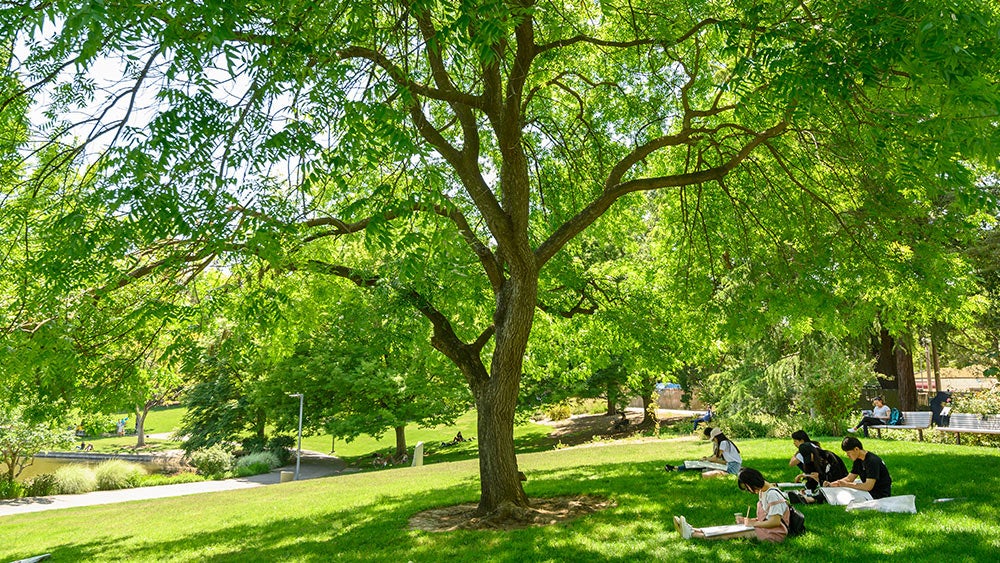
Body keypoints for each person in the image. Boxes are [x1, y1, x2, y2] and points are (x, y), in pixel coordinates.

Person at [673, 467, 790, 542]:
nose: (748, 491)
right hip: (766, 528)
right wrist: (748, 520)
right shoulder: (763, 492)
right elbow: (767, 518)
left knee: (735, 532)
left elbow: (775, 522)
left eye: (746, 488)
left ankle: (694, 535)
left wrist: (754, 523)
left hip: (774, 534)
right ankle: (694, 529)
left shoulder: (772, 494)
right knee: (731, 528)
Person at [787, 430, 847, 504]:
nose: (810, 459)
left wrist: (820, 478)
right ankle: (805, 497)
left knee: (825, 492)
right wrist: (807, 484)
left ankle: (809, 499)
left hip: (837, 481)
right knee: (814, 490)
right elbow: (812, 479)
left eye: (810, 456)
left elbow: (837, 475)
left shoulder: (828, 457)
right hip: (825, 483)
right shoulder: (811, 462)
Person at [824, 436, 892, 499]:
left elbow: (868, 486)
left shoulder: (872, 461)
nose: (848, 455)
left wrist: (847, 485)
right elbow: (849, 478)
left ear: (856, 449)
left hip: (878, 493)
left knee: (845, 495)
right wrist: (831, 484)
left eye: (849, 453)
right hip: (868, 490)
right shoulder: (858, 460)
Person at [664, 427, 742, 479]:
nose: (713, 441)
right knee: (702, 465)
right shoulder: (726, 442)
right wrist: (708, 460)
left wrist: (707, 459)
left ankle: (676, 468)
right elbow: (723, 460)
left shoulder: (723, 443)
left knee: (702, 466)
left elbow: (716, 458)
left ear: (716, 437)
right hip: (732, 466)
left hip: (732, 468)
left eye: (713, 439)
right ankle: (676, 468)